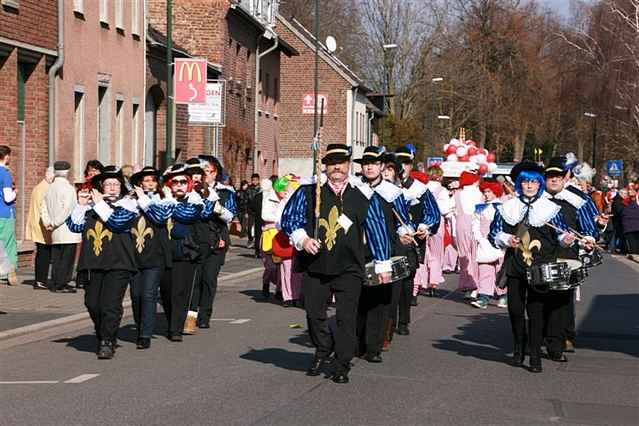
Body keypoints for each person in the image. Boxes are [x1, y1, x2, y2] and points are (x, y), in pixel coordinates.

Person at [281, 144, 393, 384]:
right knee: (313, 313)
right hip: (316, 266)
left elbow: (377, 230)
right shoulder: (310, 191)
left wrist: (383, 265)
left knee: (346, 318)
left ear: (349, 165)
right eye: (332, 163)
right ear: (325, 166)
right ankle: (323, 348)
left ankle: (342, 364)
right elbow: (289, 218)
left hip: (349, 267)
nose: (337, 167)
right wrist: (303, 239)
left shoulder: (362, 194)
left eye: (341, 162)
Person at [489, 161, 578, 373]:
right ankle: (519, 346)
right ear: (520, 184)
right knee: (515, 310)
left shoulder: (551, 209)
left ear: (539, 184)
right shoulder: (507, 207)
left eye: (533, 182)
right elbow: (493, 233)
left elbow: (561, 235)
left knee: (536, 312)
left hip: (540, 267)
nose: (529, 186)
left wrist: (567, 239)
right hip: (515, 266)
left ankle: (535, 356)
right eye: (525, 182)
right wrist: (505, 238)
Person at [67, 166, 138, 359]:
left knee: (110, 305)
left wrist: (98, 203)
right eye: (108, 185)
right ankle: (104, 334)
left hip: (119, 263)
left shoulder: (129, 205)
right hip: (92, 263)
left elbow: (116, 222)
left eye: (116, 184)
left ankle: (107, 340)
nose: (113, 188)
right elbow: (74, 226)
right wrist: (81, 205)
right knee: (92, 304)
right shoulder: (91, 207)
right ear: (101, 187)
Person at [355, 146, 412, 363]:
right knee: (358, 299)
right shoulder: (354, 189)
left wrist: (404, 234)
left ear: (381, 166)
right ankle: (357, 342)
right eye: (365, 163)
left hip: (384, 250)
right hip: (358, 251)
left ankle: (374, 346)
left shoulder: (392, 192)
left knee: (380, 301)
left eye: (374, 163)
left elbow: (403, 221)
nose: (369, 167)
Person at [543, 156, 599, 355]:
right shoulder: (538, 196)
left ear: (566, 176)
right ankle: (546, 333)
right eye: (550, 176)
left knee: (563, 298)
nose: (554, 180)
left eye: (558, 175)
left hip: (568, 254)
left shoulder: (577, 197)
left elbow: (589, 225)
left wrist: (590, 237)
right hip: (542, 254)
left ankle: (565, 335)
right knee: (541, 295)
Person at [394, 146, 440, 331]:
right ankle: (387, 321)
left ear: (411, 165)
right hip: (390, 240)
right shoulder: (387, 186)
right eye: (398, 164)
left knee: (406, 280)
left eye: (405, 163)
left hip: (411, 242)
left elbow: (433, 213)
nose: (402, 167)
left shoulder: (420, 189)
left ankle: (403, 321)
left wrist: (424, 228)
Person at [129, 167, 175, 349]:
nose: (149, 184)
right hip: (133, 255)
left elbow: (160, 217)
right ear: (140, 183)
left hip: (155, 255)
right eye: (146, 180)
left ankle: (145, 334)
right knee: (136, 296)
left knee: (149, 294)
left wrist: (143, 199)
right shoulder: (130, 200)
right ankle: (140, 325)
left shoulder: (164, 199)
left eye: (152, 180)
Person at [191, 155, 236, 328]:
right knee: (195, 279)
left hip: (217, 239)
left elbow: (230, 215)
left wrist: (218, 208)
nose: (206, 176)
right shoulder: (192, 190)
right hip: (196, 239)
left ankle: (204, 315)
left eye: (210, 172)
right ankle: (191, 314)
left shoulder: (225, 192)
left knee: (209, 278)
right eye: (203, 172)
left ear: (216, 173)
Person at [41, 161, 81, 293]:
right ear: (67, 172)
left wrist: (48, 222)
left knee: (57, 257)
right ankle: (61, 284)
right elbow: (67, 209)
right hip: (67, 229)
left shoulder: (49, 188)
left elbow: (44, 207)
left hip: (54, 230)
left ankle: (55, 281)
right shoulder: (68, 188)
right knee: (67, 259)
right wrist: (54, 222)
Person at [470, 180, 507, 309]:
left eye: (488, 192)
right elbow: (475, 225)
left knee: (500, 269)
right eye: (484, 192)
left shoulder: (503, 207)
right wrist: (480, 239)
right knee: (485, 268)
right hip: (484, 242)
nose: (486, 194)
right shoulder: (479, 208)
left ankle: (503, 295)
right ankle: (484, 296)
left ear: (495, 192)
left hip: (500, 243)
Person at [423, 165, 455, 296]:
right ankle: (433, 282)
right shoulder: (442, 191)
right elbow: (445, 210)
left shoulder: (423, 188)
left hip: (423, 222)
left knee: (424, 253)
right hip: (437, 222)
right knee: (437, 254)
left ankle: (422, 281)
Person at [455, 170, 483, 300]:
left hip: (461, 226)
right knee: (475, 256)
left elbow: (446, 208)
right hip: (476, 225)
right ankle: (475, 286)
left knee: (464, 256)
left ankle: (467, 285)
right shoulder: (479, 194)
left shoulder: (458, 194)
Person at [26, 167, 54, 290]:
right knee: (44, 254)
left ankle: (40, 280)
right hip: (42, 226)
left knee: (43, 253)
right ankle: (40, 281)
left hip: (39, 225)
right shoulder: (45, 188)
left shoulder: (39, 187)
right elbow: (45, 208)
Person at [0, 145, 18, 285]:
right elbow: (7, 197)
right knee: (8, 243)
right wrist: (15, 193)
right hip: (5, 213)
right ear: (6, 156)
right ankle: (8, 272)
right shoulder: (5, 173)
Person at [622, 185, 639, 257]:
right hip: (632, 227)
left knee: (634, 247)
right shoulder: (626, 203)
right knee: (635, 247)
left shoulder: (624, 203)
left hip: (630, 227)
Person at [246, 173, 261, 250]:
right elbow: (246, 201)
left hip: (258, 211)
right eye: (253, 180)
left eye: (256, 180)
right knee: (249, 228)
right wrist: (246, 211)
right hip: (250, 211)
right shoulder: (249, 189)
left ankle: (257, 244)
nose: (254, 181)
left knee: (257, 229)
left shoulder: (261, 189)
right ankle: (250, 239)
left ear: (258, 180)